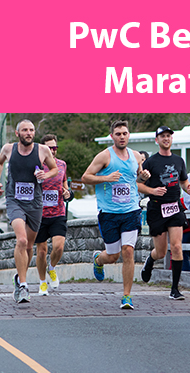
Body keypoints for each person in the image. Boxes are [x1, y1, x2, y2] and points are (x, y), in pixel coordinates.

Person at [82, 120, 150, 310]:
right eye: (118, 134)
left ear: (129, 135)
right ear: (112, 136)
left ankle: (126, 296)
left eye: (125, 133)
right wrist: (105, 178)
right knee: (113, 256)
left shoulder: (136, 156)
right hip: (109, 213)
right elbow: (86, 177)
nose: (122, 137)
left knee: (128, 251)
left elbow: (135, 177)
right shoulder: (104, 156)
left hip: (131, 210)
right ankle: (98, 259)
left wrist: (143, 177)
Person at [0, 119, 58, 303]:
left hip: (35, 203)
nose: (28, 133)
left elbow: (54, 169)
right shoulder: (8, 149)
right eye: (24, 130)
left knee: (29, 246)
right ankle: (23, 286)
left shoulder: (42, 150)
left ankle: (18, 277)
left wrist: (45, 175)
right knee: (21, 240)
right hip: (14, 200)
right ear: (17, 133)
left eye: (31, 130)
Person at [138, 126, 190, 300]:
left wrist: (188, 188)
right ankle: (150, 261)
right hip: (156, 208)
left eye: (168, 136)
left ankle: (175, 289)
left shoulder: (179, 161)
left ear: (171, 139)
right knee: (161, 252)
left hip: (174, 207)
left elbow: (183, 181)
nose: (166, 138)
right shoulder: (150, 162)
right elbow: (138, 184)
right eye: (162, 136)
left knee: (177, 247)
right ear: (157, 140)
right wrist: (152, 191)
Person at [34, 134, 73, 296]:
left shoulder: (61, 165)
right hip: (39, 215)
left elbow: (65, 186)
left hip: (58, 212)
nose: (53, 151)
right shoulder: (35, 165)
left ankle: (52, 267)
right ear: (42, 148)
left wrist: (66, 192)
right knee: (41, 251)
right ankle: (42, 283)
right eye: (50, 148)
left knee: (58, 246)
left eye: (55, 148)